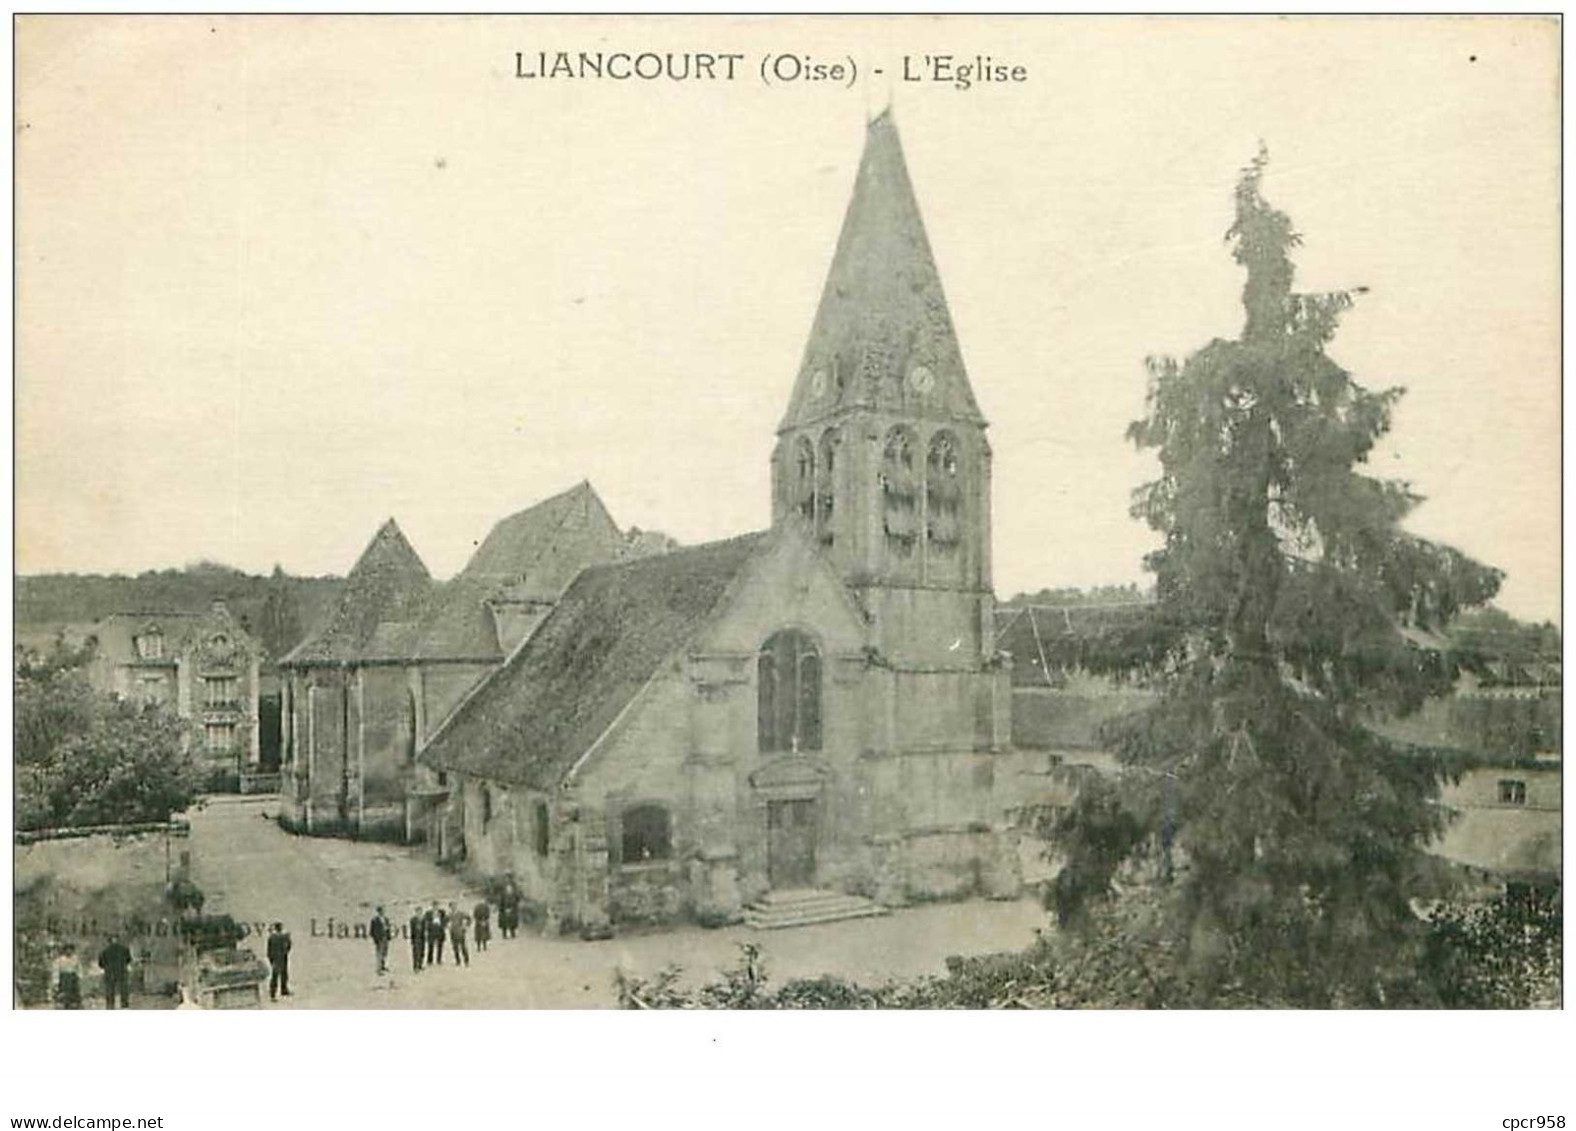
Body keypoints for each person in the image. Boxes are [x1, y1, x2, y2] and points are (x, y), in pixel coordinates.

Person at [98, 935, 132, 1009]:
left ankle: (110, 1004)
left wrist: (107, 967)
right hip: (121, 971)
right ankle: (124, 1003)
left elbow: (101, 963)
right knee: (123, 988)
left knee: (110, 989)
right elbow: (128, 960)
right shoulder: (124, 949)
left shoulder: (105, 951)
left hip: (110, 972)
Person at [51, 944, 83, 1010]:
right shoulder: (60, 959)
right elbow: (56, 970)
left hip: (73, 979)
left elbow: (79, 968)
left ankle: (74, 1006)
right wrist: (56, 981)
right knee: (63, 996)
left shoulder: (75, 958)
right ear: (64, 951)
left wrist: (79, 977)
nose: (69, 951)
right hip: (64, 979)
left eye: (70, 950)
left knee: (74, 998)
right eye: (67, 950)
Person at [266, 922, 292, 1000]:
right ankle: (283, 990)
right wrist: (285, 952)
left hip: (275, 958)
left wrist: (270, 958)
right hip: (282, 957)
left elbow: (269, 949)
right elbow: (289, 945)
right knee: (283, 974)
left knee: (275, 975)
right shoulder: (284, 936)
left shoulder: (271, 937)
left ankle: (273, 993)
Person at [447, 902, 471, 967]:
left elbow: (468, 918)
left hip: (460, 932)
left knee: (463, 947)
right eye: (452, 906)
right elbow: (446, 922)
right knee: (455, 947)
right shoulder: (449, 915)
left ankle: (466, 961)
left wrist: (466, 926)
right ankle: (458, 961)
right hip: (452, 933)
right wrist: (448, 927)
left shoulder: (461, 913)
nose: (453, 907)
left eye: (454, 906)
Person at [408, 904, 426, 972]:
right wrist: (412, 940)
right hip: (416, 938)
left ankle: (420, 965)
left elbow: (424, 929)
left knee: (422, 952)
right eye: (418, 911)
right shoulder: (413, 920)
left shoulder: (423, 919)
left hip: (422, 938)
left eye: (420, 911)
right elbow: (412, 930)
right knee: (416, 953)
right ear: (416, 912)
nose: (419, 913)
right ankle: (415, 966)